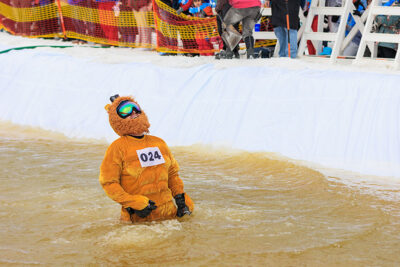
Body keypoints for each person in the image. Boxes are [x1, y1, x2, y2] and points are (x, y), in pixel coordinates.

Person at [99, 94, 194, 223]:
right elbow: (109, 183)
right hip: (138, 220)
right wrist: (132, 203)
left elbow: (172, 174)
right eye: (125, 110)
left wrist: (180, 199)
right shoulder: (117, 148)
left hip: (169, 216)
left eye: (135, 107)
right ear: (116, 118)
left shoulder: (159, 143)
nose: (132, 112)